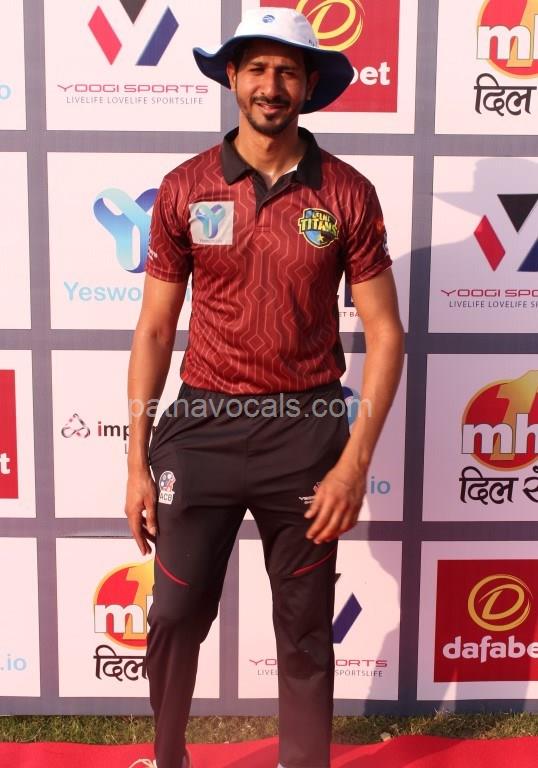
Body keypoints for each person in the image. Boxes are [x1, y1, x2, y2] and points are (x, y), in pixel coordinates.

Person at [125, 7, 404, 768]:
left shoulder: (347, 193)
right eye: (256, 68)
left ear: (310, 84)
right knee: (175, 613)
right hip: (202, 426)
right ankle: (169, 757)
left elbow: (385, 332)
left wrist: (353, 464)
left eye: (287, 71)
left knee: (306, 628)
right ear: (232, 77)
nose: (271, 85)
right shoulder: (185, 187)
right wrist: (136, 461)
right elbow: (155, 330)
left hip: (306, 431)